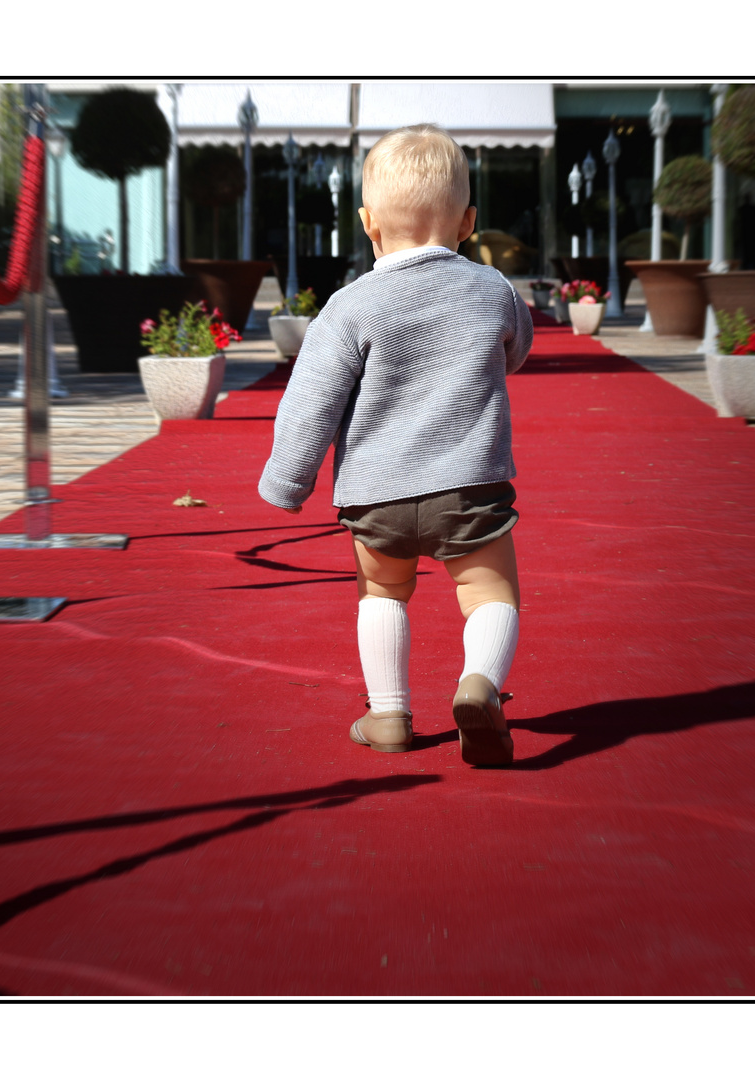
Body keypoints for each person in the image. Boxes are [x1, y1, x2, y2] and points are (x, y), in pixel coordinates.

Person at [258, 123, 533, 766]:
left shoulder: (349, 307)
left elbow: (311, 401)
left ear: (368, 223)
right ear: (467, 222)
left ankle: (387, 716)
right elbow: (515, 350)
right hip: (469, 486)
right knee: (490, 595)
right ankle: (478, 685)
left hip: (376, 494)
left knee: (382, 594)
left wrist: (287, 482)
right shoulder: (492, 289)